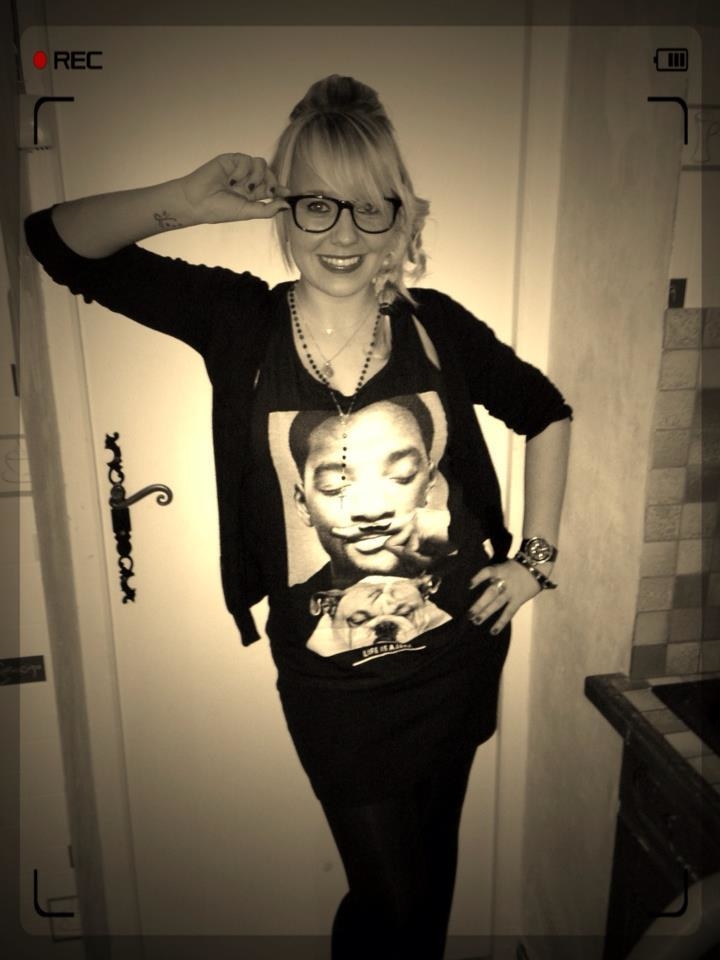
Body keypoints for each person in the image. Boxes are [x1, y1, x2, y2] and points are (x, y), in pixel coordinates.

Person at [24, 74, 572, 959]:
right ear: (285, 211)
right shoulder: (240, 321)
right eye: (317, 205)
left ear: (398, 215)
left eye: (368, 206)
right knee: (391, 899)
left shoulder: (435, 326)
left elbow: (544, 412)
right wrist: (185, 201)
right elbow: (54, 242)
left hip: (458, 656)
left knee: (427, 885)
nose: (343, 235)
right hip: (333, 685)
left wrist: (535, 560)